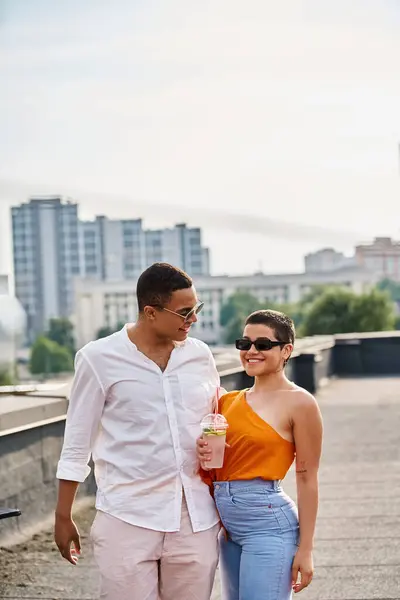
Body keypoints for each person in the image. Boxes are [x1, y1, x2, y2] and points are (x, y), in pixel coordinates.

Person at [54, 263, 221, 600]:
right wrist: (62, 515)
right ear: (151, 312)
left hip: (195, 519)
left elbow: (217, 419)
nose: (194, 320)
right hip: (127, 517)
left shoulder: (200, 356)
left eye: (197, 309)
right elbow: (76, 444)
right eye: (185, 312)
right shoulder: (98, 359)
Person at [198, 309, 323, 600]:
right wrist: (204, 453)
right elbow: (217, 465)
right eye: (245, 344)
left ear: (286, 350)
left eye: (263, 345)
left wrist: (306, 549)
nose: (251, 351)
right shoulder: (226, 401)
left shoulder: (300, 403)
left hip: (269, 526)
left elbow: (307, 479)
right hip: (227, 531)